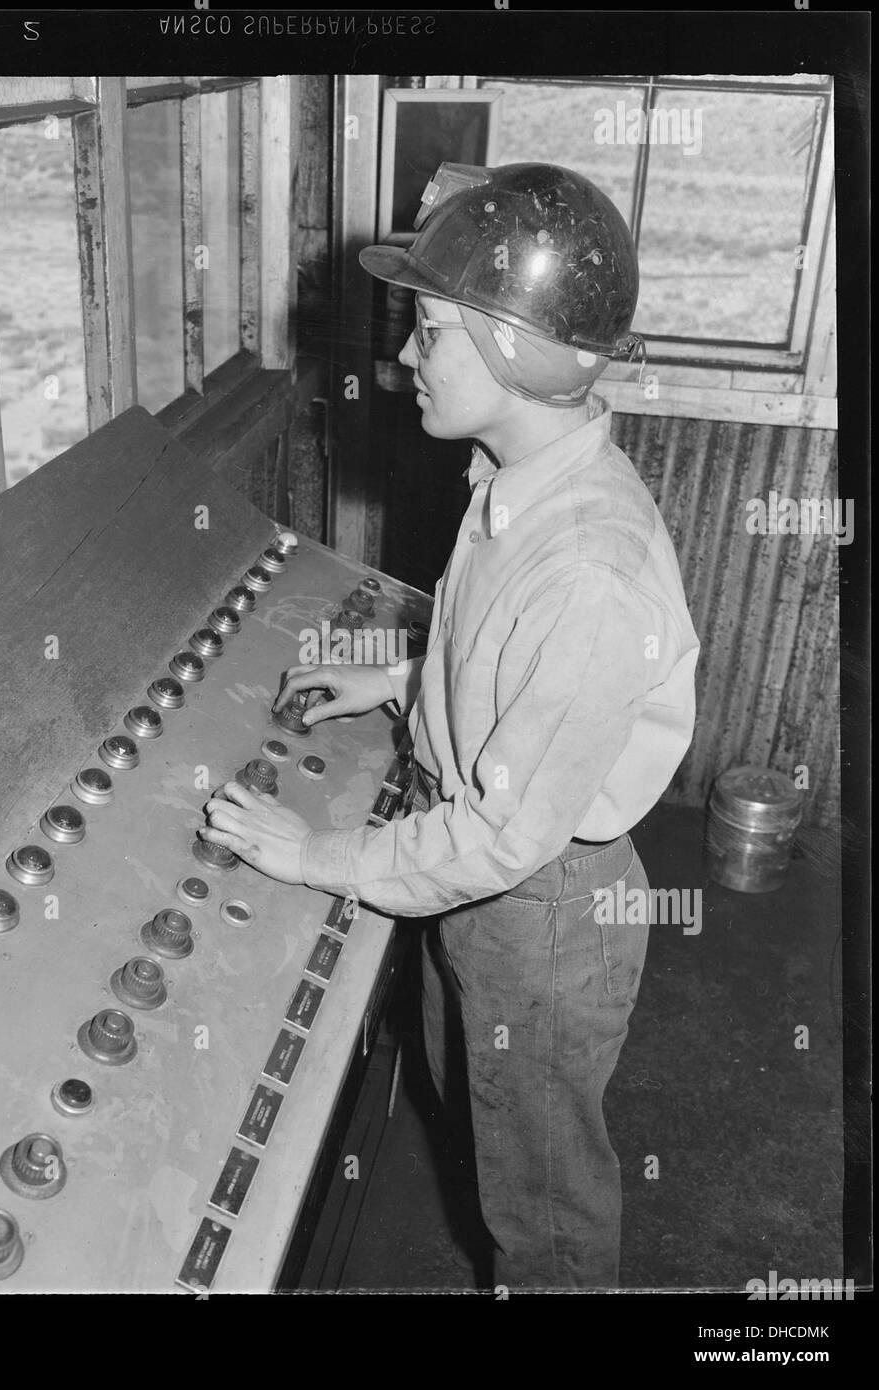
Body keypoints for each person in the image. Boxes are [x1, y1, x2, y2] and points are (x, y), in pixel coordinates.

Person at [202, 162, 700, 1291]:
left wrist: (311, 853)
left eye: (429, 333)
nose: (404, 358)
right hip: (485, 882)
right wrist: (395, 680)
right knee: (466, 1102)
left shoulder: (588, 567)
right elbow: (497, 662)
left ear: (517, 354)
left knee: (541, 1204)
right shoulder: (515, 480)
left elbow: (501, 835)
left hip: (540, 909)